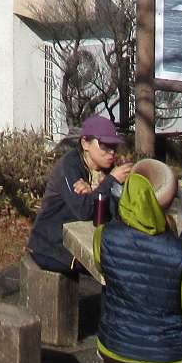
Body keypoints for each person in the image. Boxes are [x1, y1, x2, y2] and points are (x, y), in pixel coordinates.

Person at [93, 158, 182, 363]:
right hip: (170, 359)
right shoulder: (180, 252)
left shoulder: (104, 237)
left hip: (116, 348)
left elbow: (103, 267)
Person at [27, 112, 130, 273]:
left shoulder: (107, 169)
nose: (111, 152)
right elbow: (84, 210)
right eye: (105, 145)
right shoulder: (70, 165)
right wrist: (110, 182)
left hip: (85, 240)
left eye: (114, 146)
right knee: (112, 270)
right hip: (52, 245)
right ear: (85, 143)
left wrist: (96, 190)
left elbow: (117, 213)